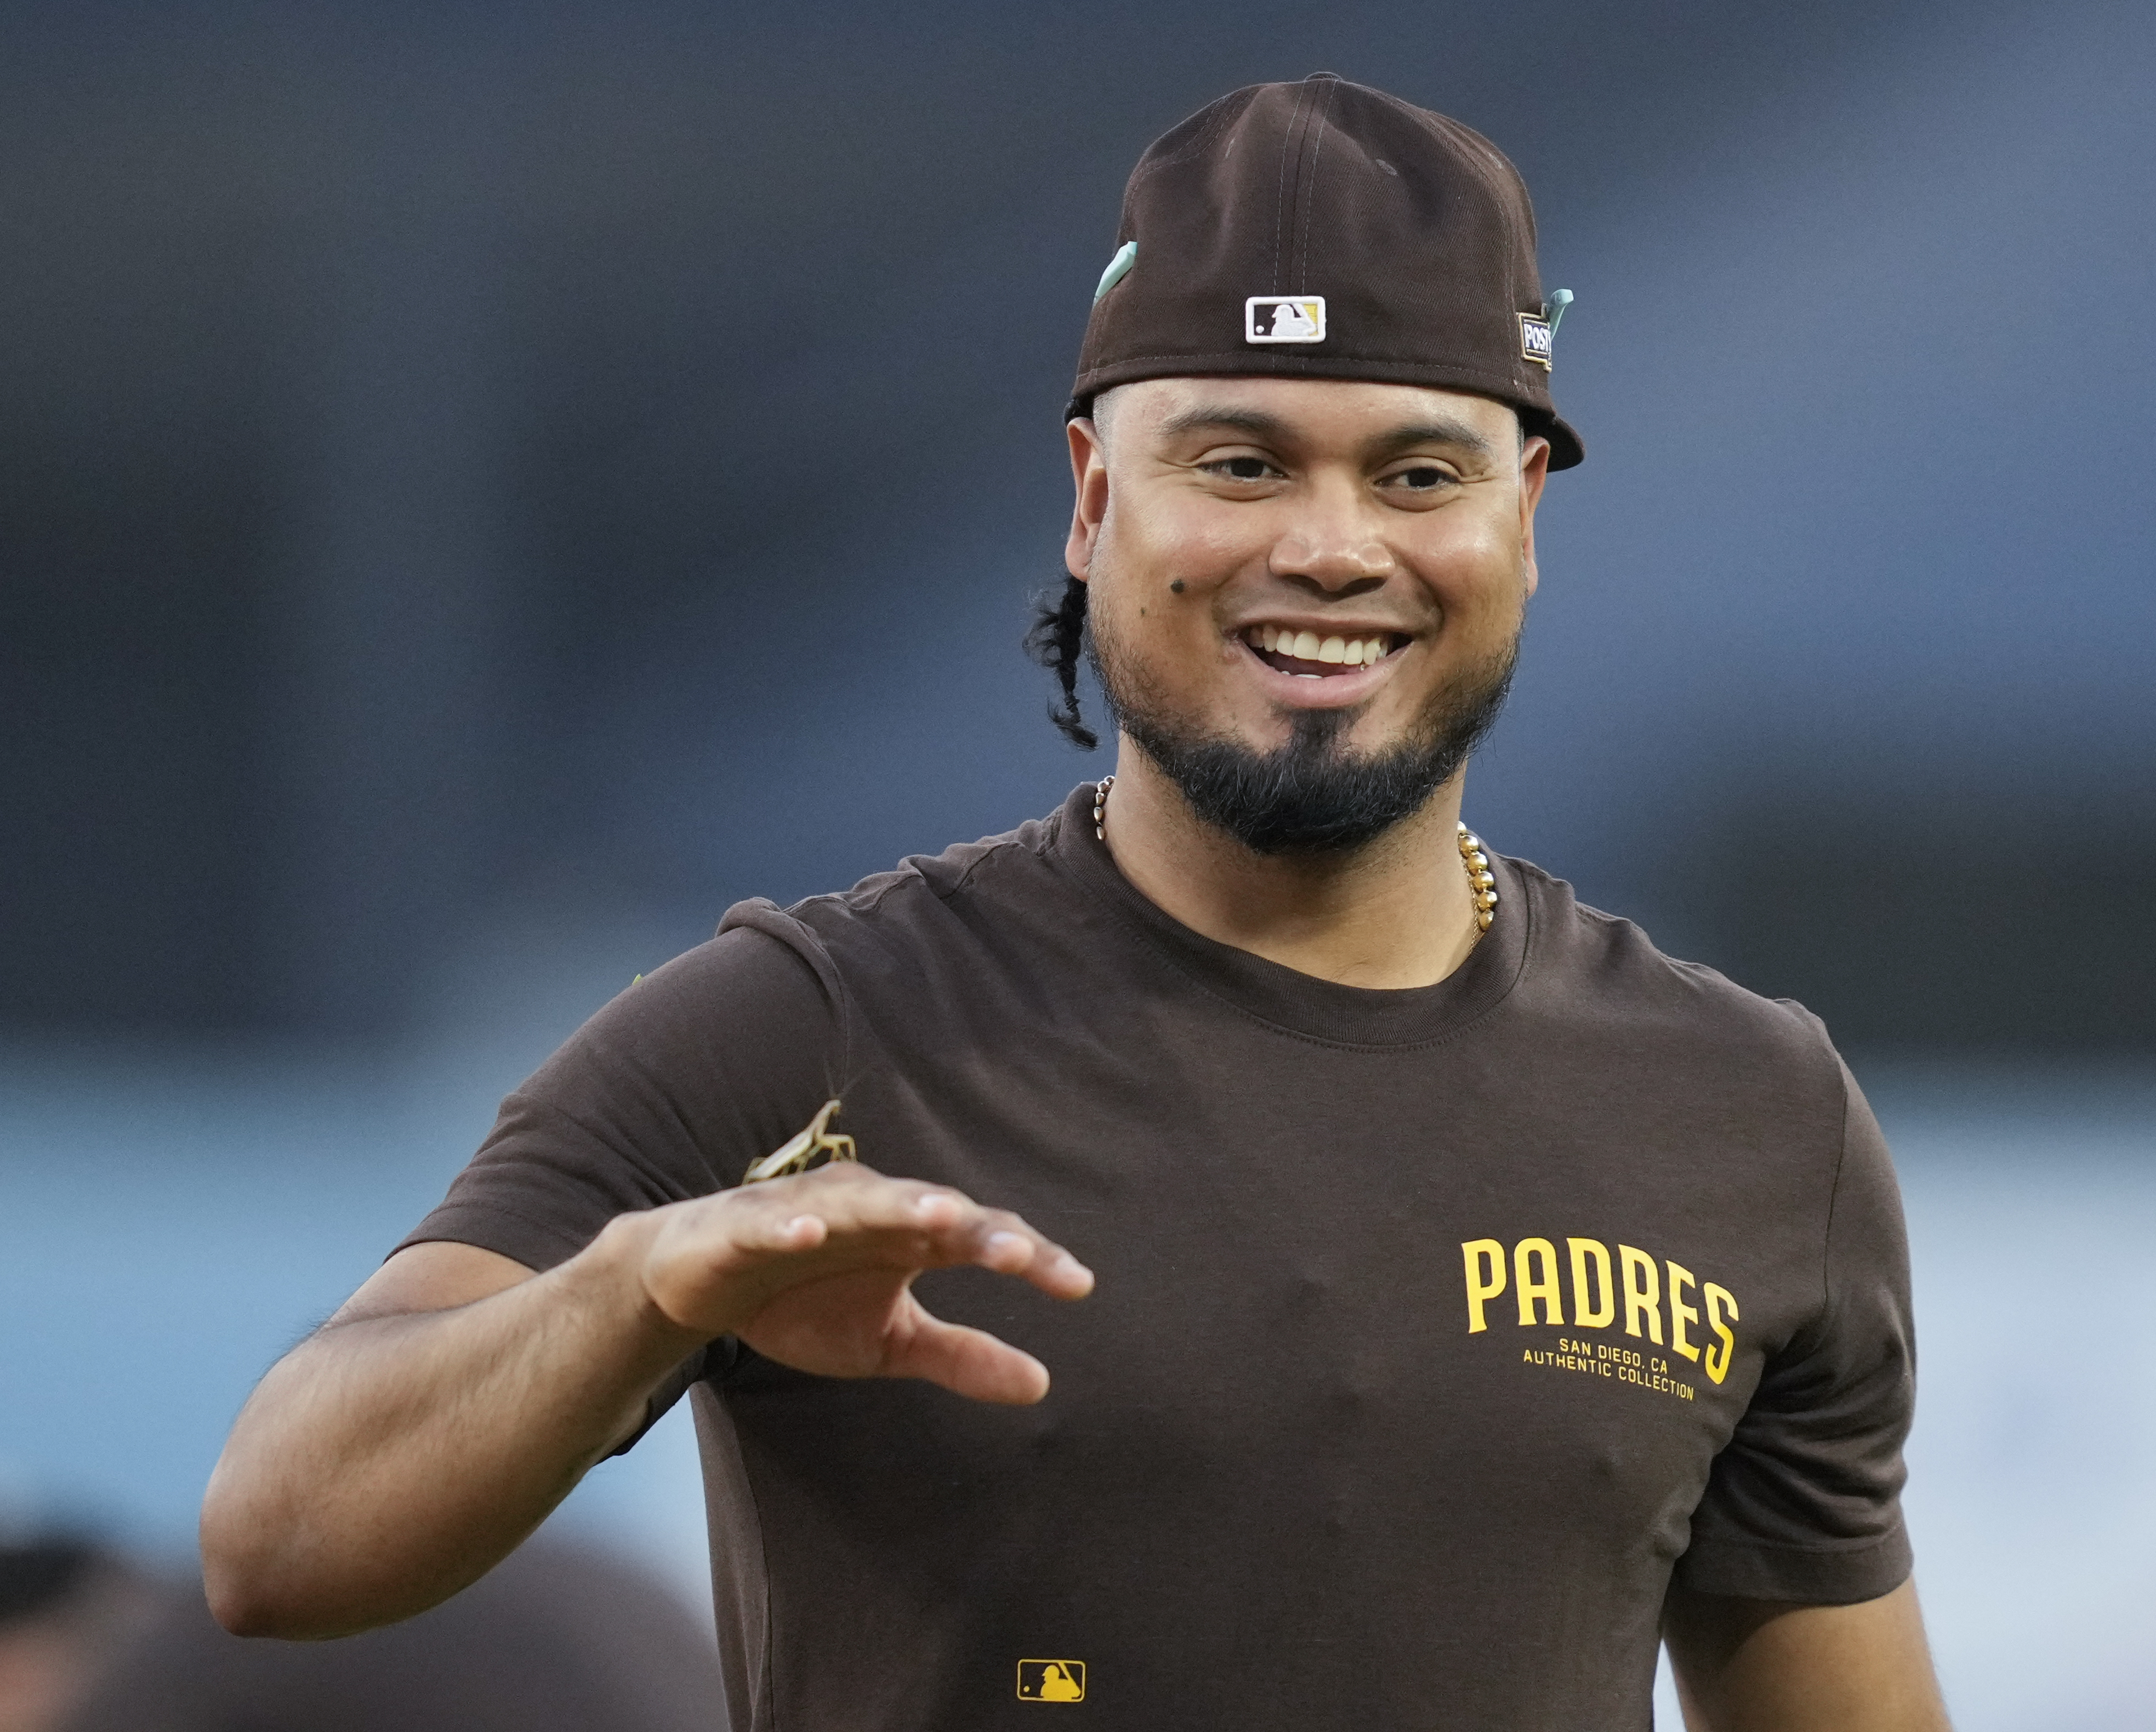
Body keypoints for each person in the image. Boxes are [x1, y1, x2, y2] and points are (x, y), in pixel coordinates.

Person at [201, 73, 1950, 1731]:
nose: (1333, 547)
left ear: (1523, 515)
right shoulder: (807, 1030)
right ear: (1096, 499)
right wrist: (636, 1293)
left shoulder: (1750, 1116)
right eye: (1240, 463)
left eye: (1417, 473)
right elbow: (277, 1541)